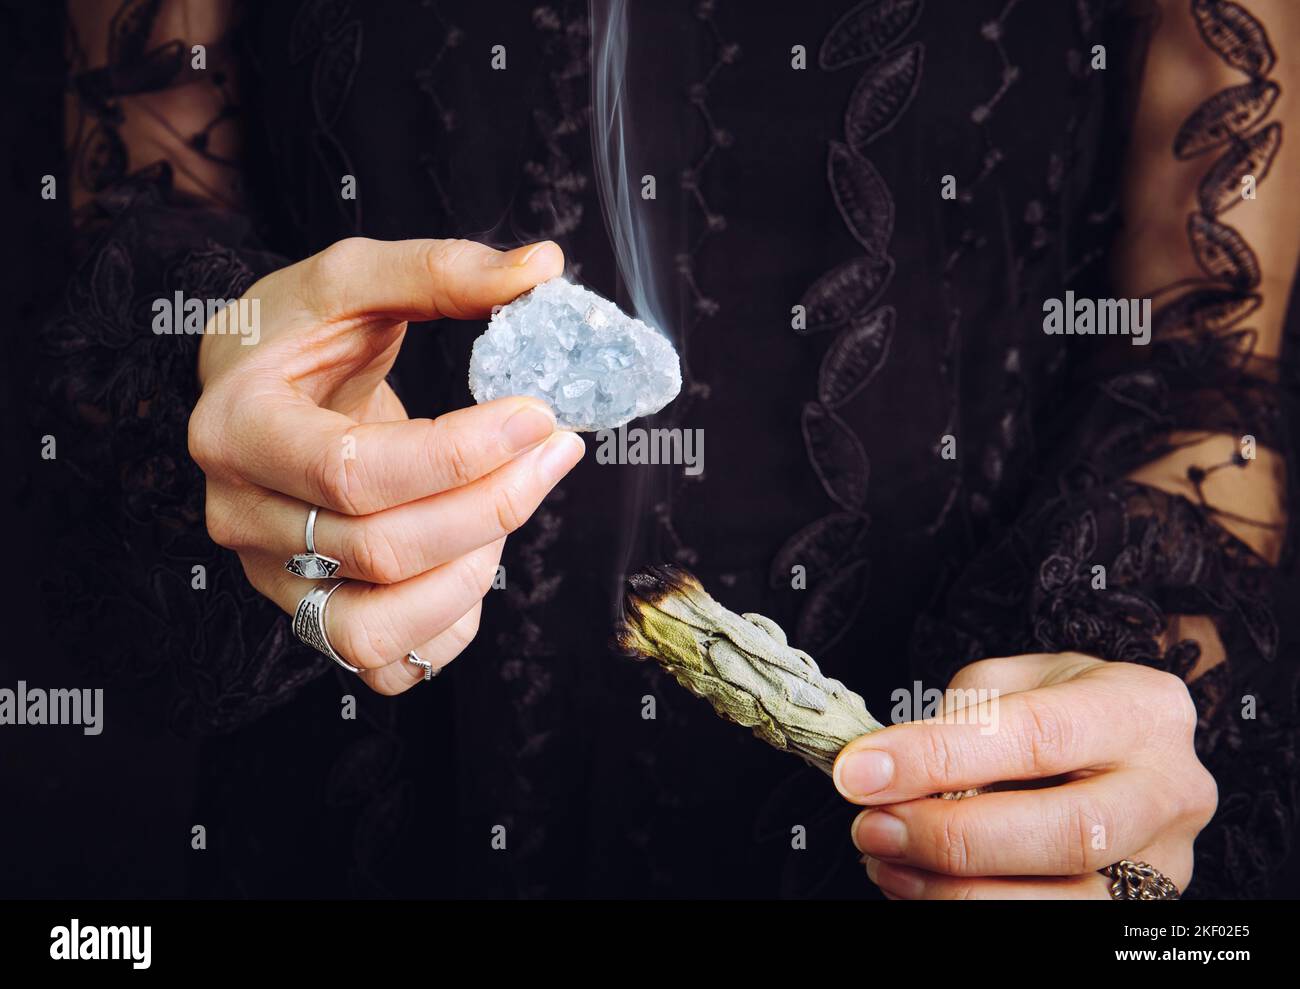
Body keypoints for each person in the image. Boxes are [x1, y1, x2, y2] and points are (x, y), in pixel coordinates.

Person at [30, 0, 1299, 898]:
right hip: (359, 767)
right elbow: (133, 218)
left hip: (929, 778)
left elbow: (1200, 359)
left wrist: (1119, 704)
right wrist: (222, 372)